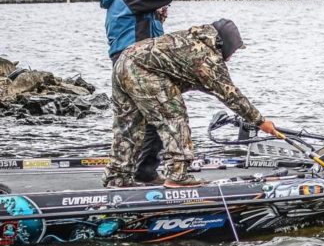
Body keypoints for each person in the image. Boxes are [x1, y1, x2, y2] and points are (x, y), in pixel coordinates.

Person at [103, 19, 278, 188]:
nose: (230, 58)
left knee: (128, 126)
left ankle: (117, 177)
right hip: (142, 70)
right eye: (232, 51)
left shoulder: (190, 40)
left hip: (124, 62)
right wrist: (260, 122)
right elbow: (230, 94)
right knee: (173, 118)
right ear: (226, 44)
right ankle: (178, 176)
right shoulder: (207, 57)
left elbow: (207, 84)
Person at [100, 0, 175, 184]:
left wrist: (158, 17)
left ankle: (125, 173)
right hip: (135, 64)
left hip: (125, 63)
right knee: (162, 115)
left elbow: (144, 30)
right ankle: (143, 170)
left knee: (132, 120)